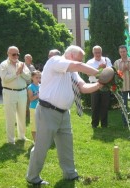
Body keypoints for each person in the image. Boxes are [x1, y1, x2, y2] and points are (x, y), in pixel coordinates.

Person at [26, 45, 103, 185]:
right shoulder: (55, 60)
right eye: (80, 59)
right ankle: (32, 177)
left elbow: (83, 87)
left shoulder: (72, 71)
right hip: (47, 111)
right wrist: (101, 73)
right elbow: (78, 65)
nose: (81, 62)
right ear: (72, 56)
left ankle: (70, 174)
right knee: (42, 146)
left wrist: (100, 84)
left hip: (64, 113)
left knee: (66, 145)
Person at [0, 46, 31, 144]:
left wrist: (21, 72)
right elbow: (5, 78)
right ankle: (11, 140)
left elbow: (29, 77)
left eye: (18, 54)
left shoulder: (22, 64)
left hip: (22, 92)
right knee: (10, 116)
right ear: (8, 54)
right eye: (14, 54)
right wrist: (17, 73)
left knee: (22, 115)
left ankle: (22, 136)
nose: (16, 56)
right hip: (9, 92)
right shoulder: (3, 64)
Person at [86, 45, 112, 128]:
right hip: (94, 84)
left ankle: (104, 124)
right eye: (96, 52)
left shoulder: (106, 60)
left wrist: (106, 67)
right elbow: (88, 74)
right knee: (95, 105)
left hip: (105, 84)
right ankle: (94, 124)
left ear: (101, 52)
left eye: (99, 52)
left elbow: (111, 71)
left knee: (105, 105)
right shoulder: (90, 62)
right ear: (93, 52)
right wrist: (99, 68)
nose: (98, 54)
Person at [114, 45, 130, 126]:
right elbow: (115, 75)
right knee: (123, 106)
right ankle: (125, 122)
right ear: (119, 52)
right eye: (121, 52)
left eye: (124, 51)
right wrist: (122, 70)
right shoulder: (117, 62)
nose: (122, 53)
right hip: (122, 88)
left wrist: (129, 69)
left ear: (126, 51)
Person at [27, 70, 41, 142]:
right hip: (33, 108)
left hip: (41, 108)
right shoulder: (30, 87)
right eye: (36, 77)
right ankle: (35, 141)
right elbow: (31, 99)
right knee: (34, 126)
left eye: (39, 77)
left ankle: (40, 140)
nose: (38, 79)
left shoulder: (41, 86)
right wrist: (38, 95)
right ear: (32, 77)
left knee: (41, 125)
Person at [25, 54, 36, 123]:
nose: (30, 59)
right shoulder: (22, 66)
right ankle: (25, 114)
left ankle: (29, 114)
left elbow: (34, 74)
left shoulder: (32, 66)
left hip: (31, 85)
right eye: (28, 58)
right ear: (25, 59)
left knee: (30, 99)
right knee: (25, 100)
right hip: (24, 85)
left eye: (30, 58)